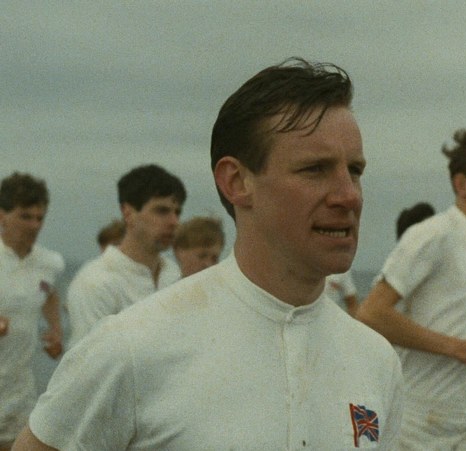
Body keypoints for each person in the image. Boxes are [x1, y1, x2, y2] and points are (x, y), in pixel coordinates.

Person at [13, 58, 402, 450]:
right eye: (315, 169)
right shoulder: (131, 348)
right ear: (237, 181)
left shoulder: (376, 361)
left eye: (355, 171)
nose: (349, 196)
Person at [357, 124, 466, 450]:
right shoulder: (433, 235)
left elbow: (457, 322)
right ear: (462, 185)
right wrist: (461, 349)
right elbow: (371, 314)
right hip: (417, 424)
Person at [65, 164, 185, 348]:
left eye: (177, 212)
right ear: (128, 212)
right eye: (161, 211)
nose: (174, 221)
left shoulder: (175, 275)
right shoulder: (96, 282)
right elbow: (91, 361)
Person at [0, 173, 64, 451]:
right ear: (2, 215)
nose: (34, 225)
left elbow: (49, 293)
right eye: (25, 216)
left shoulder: (49, 262)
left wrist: (56, 329)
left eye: (39, 218)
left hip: (20, 390)